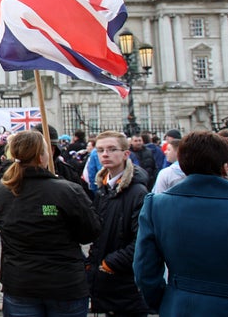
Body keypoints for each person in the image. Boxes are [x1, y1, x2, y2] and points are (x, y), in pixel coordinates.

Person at [0, 130, 101, 317]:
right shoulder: (68, 190)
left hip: (21, 282)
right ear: (41, 157)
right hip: (64, 283)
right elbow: (90, 232)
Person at [133, 131, 228, 315]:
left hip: (180, 304)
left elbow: (144, 270)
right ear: (224, 165)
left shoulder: (157, 205)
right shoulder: (157, 204)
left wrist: (165, 301)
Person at [86, 131, 150, 316]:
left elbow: (141, 240)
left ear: (125, 154)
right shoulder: (102, 190)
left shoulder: (138, 192)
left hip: (126, 283)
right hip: (104, 282)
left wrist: (110, 263)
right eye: (100, 150)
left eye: (112, 149)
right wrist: (91, 264)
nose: (105, 154)